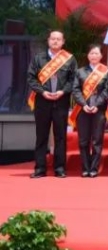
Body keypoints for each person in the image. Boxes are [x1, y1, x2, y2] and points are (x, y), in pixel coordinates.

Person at [27, 30, 78, 178]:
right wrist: (42, 92)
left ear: (63, 42)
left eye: (58, 39)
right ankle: (40, 168)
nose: (55, 41)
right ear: (48, 41)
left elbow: (73, 80)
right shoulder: (38, 58)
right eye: (53, 39)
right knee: (41, 135)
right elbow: (31, 78)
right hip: (42, 101)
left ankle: (60, 168)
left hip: (61, 101)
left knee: (60, 136)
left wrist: (63, 91)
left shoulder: (69, 59)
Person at [71, 44, 108, 177]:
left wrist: (97, 104)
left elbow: (107, 90)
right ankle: (85, 168)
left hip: (98, 110)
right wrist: (83, 104)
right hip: (82, 110)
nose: (94, 56)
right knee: (83, 140)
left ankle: (94, 168)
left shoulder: (106, 72)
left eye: (96, 53)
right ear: (88, 56)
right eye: (91, 53)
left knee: (97, 140)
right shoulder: (80, 72)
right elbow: (75, 90)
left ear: (101, 56)